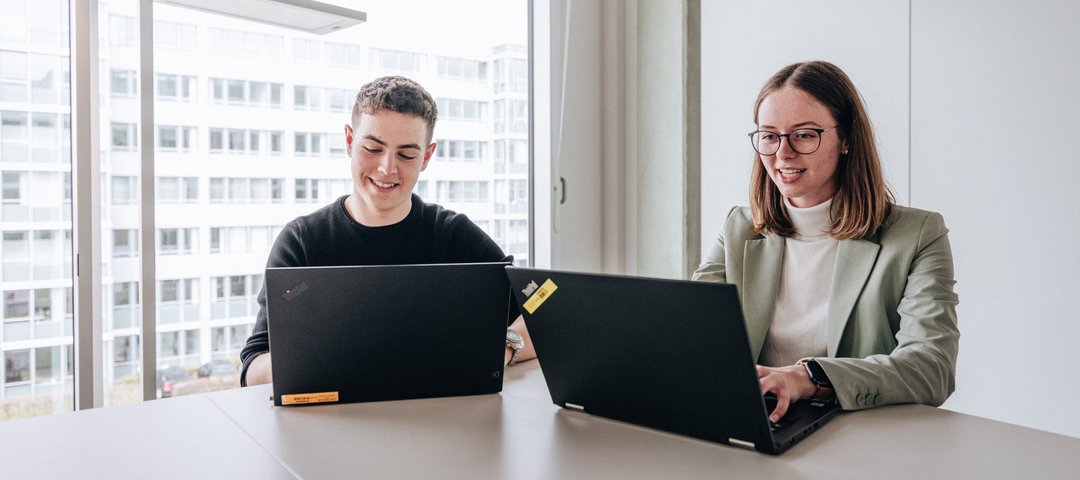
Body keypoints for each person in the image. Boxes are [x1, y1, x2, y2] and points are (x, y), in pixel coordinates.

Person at [692, 61, 959, 422]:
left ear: (846, 139)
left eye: (803, 135)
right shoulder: (740, 227)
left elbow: (931, 368)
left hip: (860, 437)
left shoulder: (917, 235)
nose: (782, 154)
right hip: (757, 425)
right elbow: (690, 334)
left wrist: (810, 377)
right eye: (769, 135)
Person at [240, 76, 535, 386]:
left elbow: (544, 306)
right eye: (372, 148)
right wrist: (335, 359)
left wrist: (504, 346)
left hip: (438, 422)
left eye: (406, 155)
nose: (386, 168)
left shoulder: (453, 236)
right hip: (331, 425)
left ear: (426, 157)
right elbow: (253, 370)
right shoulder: (302, 241)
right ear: (350, 142)